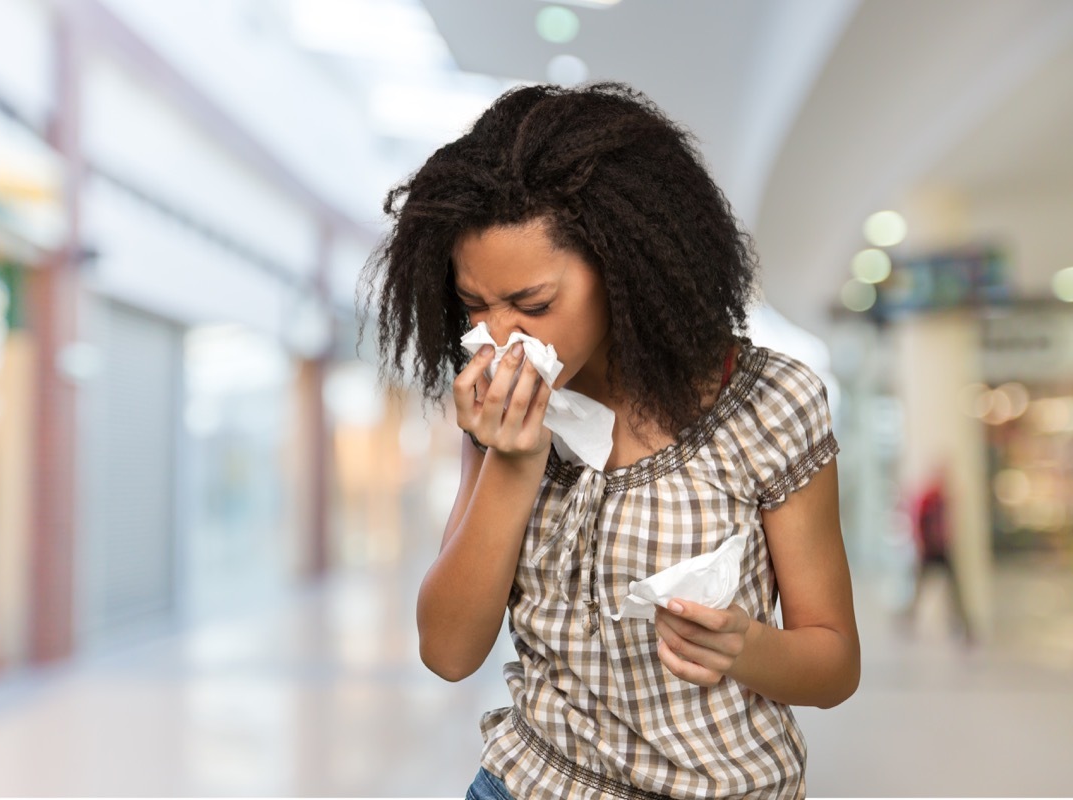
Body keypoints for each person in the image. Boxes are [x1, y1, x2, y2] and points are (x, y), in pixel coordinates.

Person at [361, 82, 860, 799]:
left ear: (625, 267)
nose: (499, 337)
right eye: (474, 304)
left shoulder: (769, 402)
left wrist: (746, 649)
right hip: (528, 782)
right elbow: (447, 650)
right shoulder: (500, 408)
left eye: (533, 304)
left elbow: (835, 663)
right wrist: (512, 459)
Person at [905, 471, 974, 644]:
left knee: (954, 591)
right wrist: (923, 545)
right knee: (919, 589)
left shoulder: (941, 500)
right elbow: (919, 523)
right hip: (930, 551)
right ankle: (907, 616)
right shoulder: (928, 500)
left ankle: (962, 624)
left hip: (942, 550)